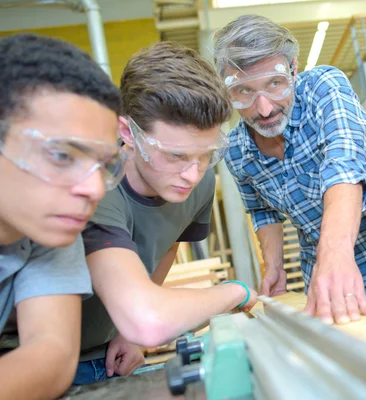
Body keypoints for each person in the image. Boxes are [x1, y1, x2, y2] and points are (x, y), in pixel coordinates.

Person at [75, 41, 258, 385]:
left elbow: (169, 244)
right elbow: (148, 321)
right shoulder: (94, 188)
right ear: (128, 133)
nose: (192, 173)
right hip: (32, 360)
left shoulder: (198, 181)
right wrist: (237, 292)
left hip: (107, 354)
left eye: (205, 153)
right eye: (175, 155)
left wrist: (127, 334)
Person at [212, 15, 366, 326]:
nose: (264, 108)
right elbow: (261, 209)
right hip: (316, 276)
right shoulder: (236, 151)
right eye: (245, 92)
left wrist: (334, 254)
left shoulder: (323, 89)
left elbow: (345, 165)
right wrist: (274, 265)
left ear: (293, 69)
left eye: (274, 84)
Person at [0, 33, 126, 398]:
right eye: (62, 156)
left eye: (102, 166)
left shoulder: (45, 229)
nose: (95, 190)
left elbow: (51, 357)